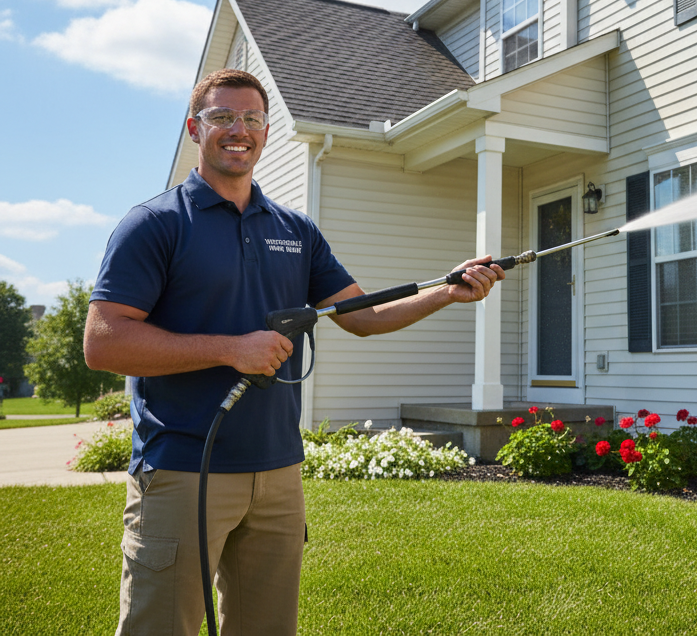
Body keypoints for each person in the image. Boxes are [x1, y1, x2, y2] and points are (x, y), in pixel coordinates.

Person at [84, 68, 503, 636]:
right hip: (183, 469)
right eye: (222, 116)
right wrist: (231, 350)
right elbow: (104, 341)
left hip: (278, 471)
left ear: (265, 130)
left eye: (252, 118)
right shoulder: (155, 224)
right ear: (194, 128)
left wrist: (447, 292)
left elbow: (363, 316)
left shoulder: (295, 230)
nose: (239, 129)